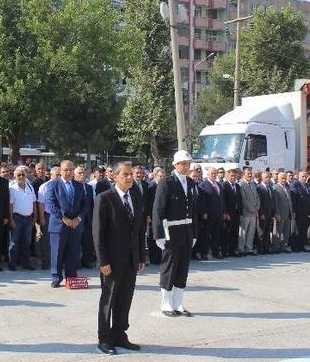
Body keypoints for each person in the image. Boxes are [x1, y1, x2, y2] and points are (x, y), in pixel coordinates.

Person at [93, 162, 146, 355]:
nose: (130, 177)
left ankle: (120, 334)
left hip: (131, 260)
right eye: (125, 174)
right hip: (112, 262)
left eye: (131, 174)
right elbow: (98, 233)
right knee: (109, 300)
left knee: (125, 299)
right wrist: (103, 261)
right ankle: (104, 339)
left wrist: (141, 255)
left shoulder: (136, 197)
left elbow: (140, 229)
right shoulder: (104, 199)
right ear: (115, 177)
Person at [153, 150, 197, 317]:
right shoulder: (167, 183)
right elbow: (158, 210)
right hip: (171, 231)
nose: (186, 167)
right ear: (175, 165)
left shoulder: (191, 184)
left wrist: (194, 233)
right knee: (169, 267)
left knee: (182, 268)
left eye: (187, 163)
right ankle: (166, 303)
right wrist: (159, 234)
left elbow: (194, 212)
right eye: (182, 164)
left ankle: (178, 303)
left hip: (186, 231)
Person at [45, 160, 89, 288]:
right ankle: (56, 277)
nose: (68, 172)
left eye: (71, 169)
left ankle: (71, 277)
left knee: (73, 252)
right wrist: (64, 218)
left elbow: (85, 204)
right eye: (65, 170)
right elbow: (51, 204)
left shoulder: (79, 185)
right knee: (57, 253)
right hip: (59, 225)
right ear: (60, 171)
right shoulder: (52, 185)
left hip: (75, 225)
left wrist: (78, 218)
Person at [8, 166, 37, 270]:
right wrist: (11, 220)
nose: (21, 177)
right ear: (15, 176)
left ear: (26, 176)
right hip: (17, 218)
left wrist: (35, 216)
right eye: (18, 175)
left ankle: (26, 263)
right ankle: (12, 263)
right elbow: (10, 205)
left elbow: (34, 202)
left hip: (29, 218)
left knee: (27, 242)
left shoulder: (30, 186)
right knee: (14, 242)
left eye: (23, 174)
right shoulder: (12, 188)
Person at [198, 167, 224, 259]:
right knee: (206, 235)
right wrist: (204, 212)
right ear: (208, 174)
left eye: (215, 173)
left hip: (218, 214)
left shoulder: (219, 185)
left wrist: (222, 212)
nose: (214, 175)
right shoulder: (203, 185)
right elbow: (202, 201)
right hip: (208, 215)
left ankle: (215, 252)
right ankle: (204, 253)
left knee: (216, 235)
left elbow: (221, 199)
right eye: (212, 173)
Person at [36, 166, 59, 270]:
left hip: (60, 217)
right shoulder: (44, 187)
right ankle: (45, 262)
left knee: (58, 240)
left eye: (60, 175)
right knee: (46, 241)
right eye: (56, 175)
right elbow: (41, 204)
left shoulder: (63, 186)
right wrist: (42, 218)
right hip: (48, 215)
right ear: (51, 175)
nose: (58, 177)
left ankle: (57, 262)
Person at [238, 167, 260, 256]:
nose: (250, 175)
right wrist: (252, 209)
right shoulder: (241, 184)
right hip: (246, 212)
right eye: (248, 174)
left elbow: (257, 197)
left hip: (254, 213)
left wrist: (257, 208)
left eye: (251, 174)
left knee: (251, 232)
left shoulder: (253, 184)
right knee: (243, 232)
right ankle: (241, 249)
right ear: (244, 175)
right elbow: (244, 199)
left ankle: (249, 248)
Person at [222, 169, 243, 257]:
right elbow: (223, 200)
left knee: (235, 232)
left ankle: (233, 250)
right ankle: (225, 251)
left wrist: (241, 213)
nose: (233, 178)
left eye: (234, 176)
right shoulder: (224, 185)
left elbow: (240, 200)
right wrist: (226, 212)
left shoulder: (237, 186)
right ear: (227, 176)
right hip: (228, 214)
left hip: (236, 213)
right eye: (231, 176)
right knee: (227, 233)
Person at [289, 171, 310, 252]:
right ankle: (295, 247)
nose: (304, 178)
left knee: (303, 229)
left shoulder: (307, 185)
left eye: (305, 176)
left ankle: (302, 246)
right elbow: (293, 199)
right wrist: (293, 211)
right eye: (302, 176)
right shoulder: (295, 185)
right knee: (296, 230)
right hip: (297, 211)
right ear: (298, 177)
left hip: (305, 212)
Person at [272, 172, 293, 253]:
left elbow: (289, 201)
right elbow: (276, 202)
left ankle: (283, 246)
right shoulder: (275, 188)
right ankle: (276, 247)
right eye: (282, 178)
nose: (284, 180)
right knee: (278, 231)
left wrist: (291, 212)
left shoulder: (287, 188)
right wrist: (277, 213)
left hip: (288, 213)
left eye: (285, 178)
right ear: (278, 179)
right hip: (280, 213)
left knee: (286, 231)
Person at [255, 172, 276, 255]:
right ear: (262, 178)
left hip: (270, 213)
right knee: (261, 232)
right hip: (263, 214)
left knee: (267, 231)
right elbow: (259, 202)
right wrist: (261, 213)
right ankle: (260, 248)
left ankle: (266, 247)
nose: (268, 178)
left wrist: (274, 213)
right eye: (266, 177)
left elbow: (272, 201)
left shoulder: (270, 188)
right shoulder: (259, 188)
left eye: (269, 177)